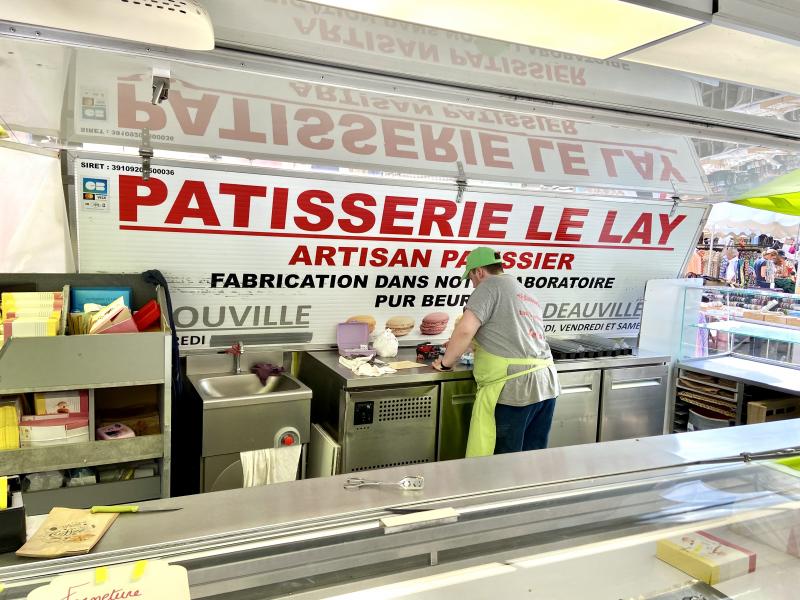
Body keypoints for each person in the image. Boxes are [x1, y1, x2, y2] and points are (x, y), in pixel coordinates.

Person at [432, 247, 560, 457]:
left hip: (515, 390)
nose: (472, 284)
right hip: (546, 387)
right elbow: (509, 337)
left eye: (471, 278)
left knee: (502, 463)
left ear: (479, 271)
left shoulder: (488, 286)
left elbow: (464, 330)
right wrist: (465, 346)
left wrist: (446, 363)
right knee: (531, 461)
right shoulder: (523, 292)